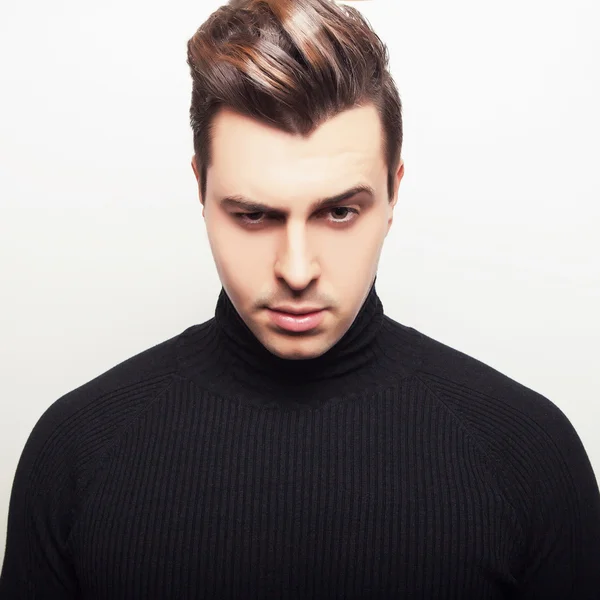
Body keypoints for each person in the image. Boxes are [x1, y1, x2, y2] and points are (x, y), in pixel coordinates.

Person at [2, 0, 600, 597]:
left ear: (394, 190)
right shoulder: (76, 451)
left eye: (339, 212)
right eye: (254, 215)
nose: (296, 270)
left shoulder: (529, 453)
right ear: (200, 187)